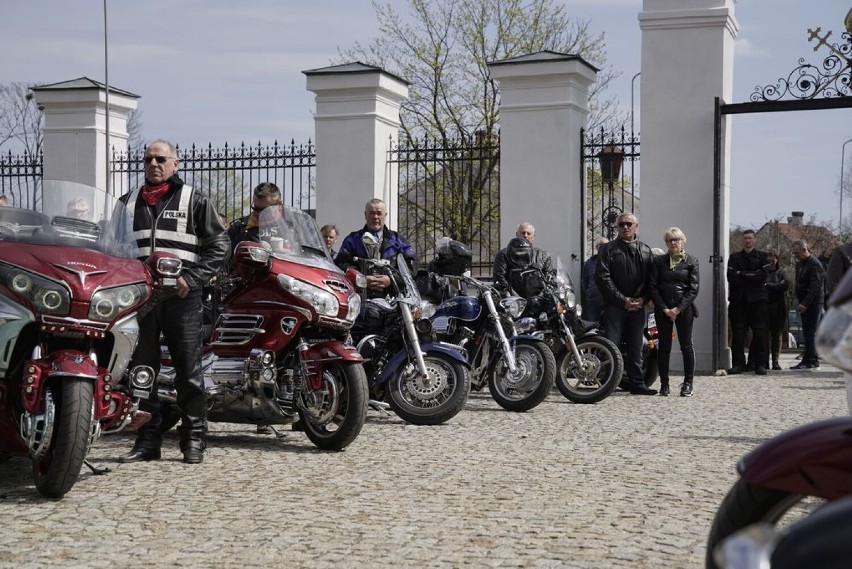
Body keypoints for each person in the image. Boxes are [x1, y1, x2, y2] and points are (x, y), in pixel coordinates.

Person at [117, 140, 229, 465]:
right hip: (141, 298)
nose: (154, 163)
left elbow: (220, 246)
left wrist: (192, 279)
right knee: (142, 371)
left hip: (183, 297)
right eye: (149, 158)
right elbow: (111, 246)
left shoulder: (195, 200)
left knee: (189, 372)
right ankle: (147, 442)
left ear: (175, 164)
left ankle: (193, 442)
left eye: (161, 159)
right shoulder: (126, 203)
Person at [596, 212, 657, 395]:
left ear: (636, 226)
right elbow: (602, 278)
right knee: (612, 346)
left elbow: (651, 280)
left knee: (636, 346)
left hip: (638, 308)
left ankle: (637, 383)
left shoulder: (646, 250)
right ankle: (608, 383)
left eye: (629, 224)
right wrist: (623, 300)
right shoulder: (607, 249)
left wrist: (642, 300)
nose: (625, 227)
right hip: (615, 307)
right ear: (617, 227)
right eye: (621, 224)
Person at [648, 228, 699, 397]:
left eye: (676, 240)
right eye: (670, 240)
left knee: (687, 346)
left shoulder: (692, 261)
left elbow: (693, 289)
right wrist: (664, 308)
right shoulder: (659, 261)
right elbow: (653, 286)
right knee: (664, 347)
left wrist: (678, 309)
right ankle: (664, 383)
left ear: (683, 241)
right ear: (666, 243)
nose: (673, 243)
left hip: (683, 309)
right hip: (663, 309)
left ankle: (688, 384)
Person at [335, 198, 416, 297]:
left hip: (394, 299)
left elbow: (412, 265)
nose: (375, 217)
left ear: (385, 216)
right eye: (372, 213)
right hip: (360, 299)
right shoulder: (352, 239)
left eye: (379, 213)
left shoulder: (398, 240)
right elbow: (341, 265)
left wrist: (392, 279)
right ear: (365, 215)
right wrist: (362, 278)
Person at [727, 229, 769, 376]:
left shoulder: (763, 257)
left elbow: (762, 276)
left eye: (750, 238)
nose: (748, 241)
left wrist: (742, 273)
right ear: (742, 240)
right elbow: (731, 277)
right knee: (738, 334)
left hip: (758, 302)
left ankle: (760, 364)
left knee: (759, 334)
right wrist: (752, 275)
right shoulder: (734, 257)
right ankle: (738, 364)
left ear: (754, 240)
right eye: (745, 238)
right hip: (739, 301)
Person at [790, 239, 825, 370]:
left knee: (810, 332)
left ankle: (811, 360)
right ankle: (809, 358)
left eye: (797, 253)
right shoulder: (800, 264)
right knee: (807, 332)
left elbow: (815, 286)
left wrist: (805, 303)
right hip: (803, 301)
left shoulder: (814, 264)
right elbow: (799, 283)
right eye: (794, 253)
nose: (795, 256)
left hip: (813, 303)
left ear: (805, 250)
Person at [492, 222, 553, 296]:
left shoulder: (543, 255)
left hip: (538, 301)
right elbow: (499, 278)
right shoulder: (504, 254)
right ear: (517, 234)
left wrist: (540, 296)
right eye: (523, 233)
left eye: (529, 233)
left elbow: (549, 279)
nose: (526, 236)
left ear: (533, 237)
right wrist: (515, 296)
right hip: (513, 302)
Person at [227, 182, 282, 248]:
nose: (259, 214)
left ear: (279, 204)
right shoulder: (238, 228)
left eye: (265, 210)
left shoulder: (293, 225)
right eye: (255, 208)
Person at [764, 250, 789, 371]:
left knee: (777, 335)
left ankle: (775, 361)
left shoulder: (782, 272)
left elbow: (784, 286)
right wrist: (776, 285)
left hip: (779, 307)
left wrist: (768, 285)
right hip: (765, 306)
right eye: (769, 260)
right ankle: (764, 361)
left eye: (773, 259)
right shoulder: (763, 271)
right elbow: (759, 284)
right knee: (764, 336)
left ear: (777, 260)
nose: (771, 262)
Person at [582, 237, 608, 322]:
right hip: (593, 301)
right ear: (596, 247)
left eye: (605, 245)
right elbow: (585, 281)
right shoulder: (589, 263)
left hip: (609, 302)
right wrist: (590, 292)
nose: (602, 247)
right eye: (600, 245)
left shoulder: (613, 261)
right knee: (592, 325)